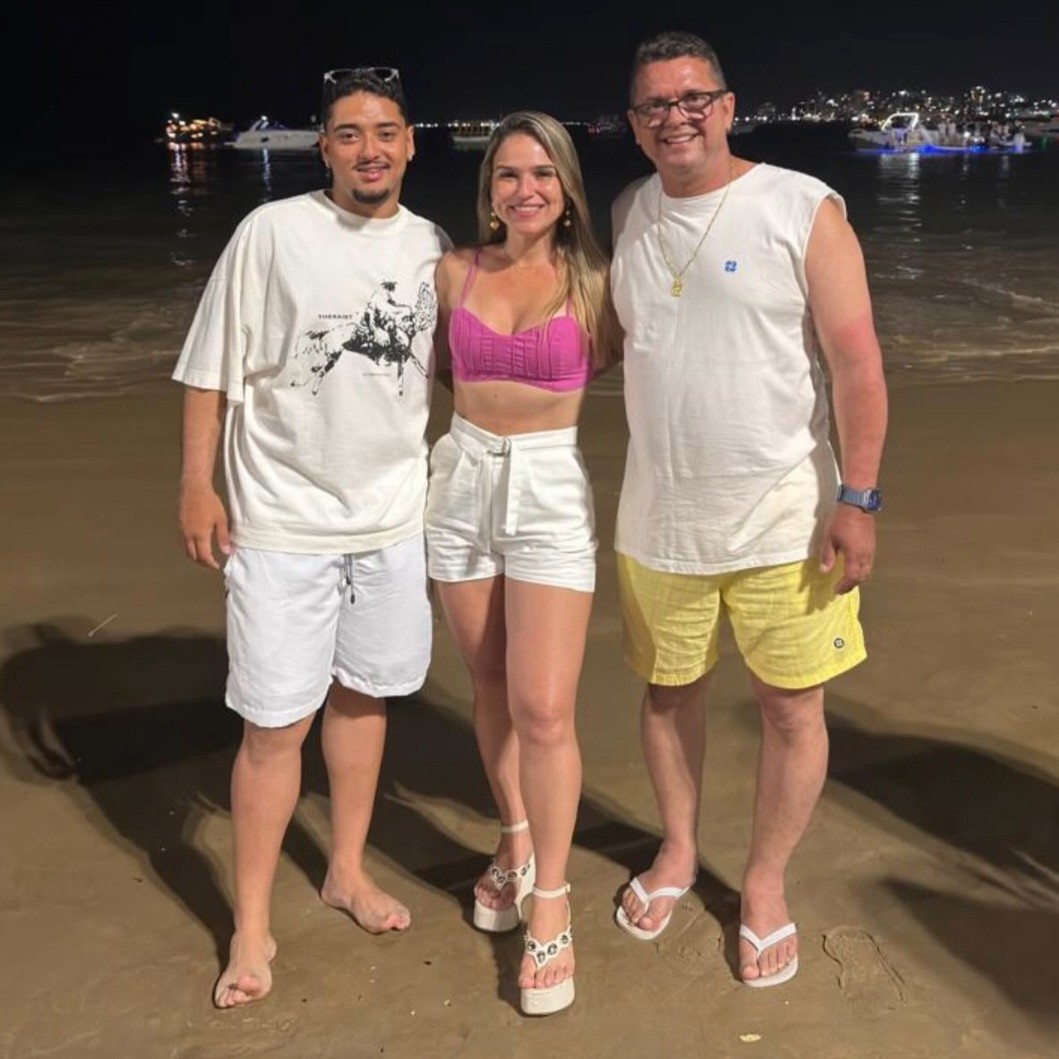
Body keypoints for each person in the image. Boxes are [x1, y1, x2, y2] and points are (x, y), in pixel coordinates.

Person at [610, 32, 887, 987]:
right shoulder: (627, 211)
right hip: (659, 519)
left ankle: (763, 882)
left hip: (784, 517)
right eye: (655, 104)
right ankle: (679, 850)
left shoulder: (801, 207)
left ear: (727, 107)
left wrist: (857, 497)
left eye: (693, 98)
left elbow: (856, 364)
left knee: (790, 707)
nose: (675, 117)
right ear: (634, 124)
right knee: (667, 693)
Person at [173, 66, 450, 1008]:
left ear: (409, 143)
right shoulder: (271, 232)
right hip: (282, 519)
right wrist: (195, 484)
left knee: (366, 698)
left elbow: (454, 370)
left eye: (386, 131)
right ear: (323, 146)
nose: (370, 149)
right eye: (349, 133)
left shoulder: (431, 246)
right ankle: (250, 925)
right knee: (275, 722)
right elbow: (209, 368)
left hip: (393, 518)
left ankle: (345, 870)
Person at [426, 111, 620, 1016]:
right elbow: (425, 371)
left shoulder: (597, 286)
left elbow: (657, 364)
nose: (525, 189)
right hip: (459, 480)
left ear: (567, 187)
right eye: (508, 174)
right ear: (489, 189)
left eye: (542, 173)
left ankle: (551, 899)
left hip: (546, 490)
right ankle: (512, 835)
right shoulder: (451, 271)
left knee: (544, 707)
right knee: (490, 683)